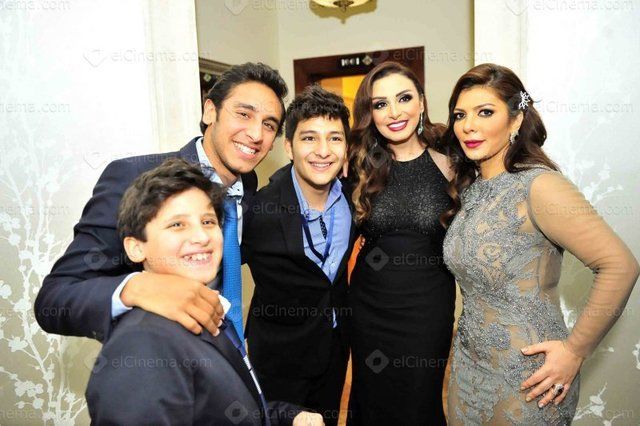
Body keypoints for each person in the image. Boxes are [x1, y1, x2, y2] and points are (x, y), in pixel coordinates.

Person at [441, 63, 639, 425]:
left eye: (485, 112)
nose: (468, 125)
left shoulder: (540, 186)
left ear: (516, 120)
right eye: (460, 115)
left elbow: (620, 265)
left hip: (530, 377)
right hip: (468, 369)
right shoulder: (470, 190)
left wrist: (575, 350)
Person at [35, 62, 288, 342]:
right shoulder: (135, 177)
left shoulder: (248, 185)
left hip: (220, 354)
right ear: (210, 111)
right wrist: (138, 287)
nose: (256, 134)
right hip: (157, 354)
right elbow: (55, 298)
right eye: (243, 114)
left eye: (268, 125)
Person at [85, 158, 323, 426]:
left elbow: (221, 408)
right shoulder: (143, 345)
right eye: (177, 225)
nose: (202, 237)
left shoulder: (204, 311)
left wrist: (288, 417)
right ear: (136, 247)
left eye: (208, 222)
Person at [347, 61, 456, 425]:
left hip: (427, 312)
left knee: (418, 402)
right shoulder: (359, 166)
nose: (394, 112)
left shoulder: (452, 164)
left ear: (422, 102)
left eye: (404, 98)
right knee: (372, 400)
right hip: (368, 311)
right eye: (380, 104)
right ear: (371, 114)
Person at [242, 86, 355, 426]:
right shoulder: (258, 210)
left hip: (334, 354)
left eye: (335, 139)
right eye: (309, 138)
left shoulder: (356, 196)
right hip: (278, 363)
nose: (323, 151)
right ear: (289, 146)